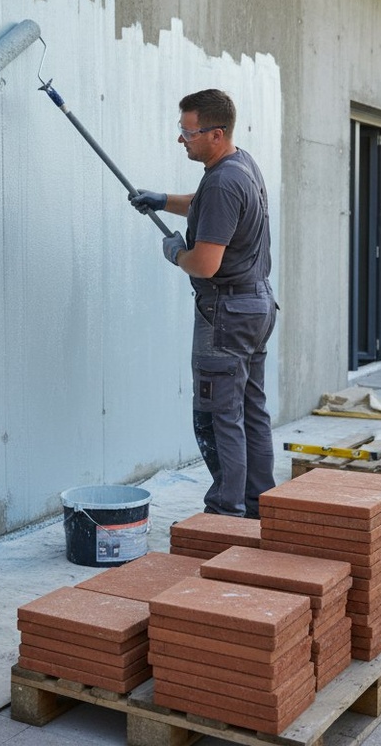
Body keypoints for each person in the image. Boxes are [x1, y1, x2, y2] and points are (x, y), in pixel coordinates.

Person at [129, 88, 277, 518]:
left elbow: (205, 264)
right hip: (255, 307)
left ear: (216, 133)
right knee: (249, 411)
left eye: (188, 132)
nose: (181, 139)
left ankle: (226, 515)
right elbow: (206, 207)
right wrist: (162, 200)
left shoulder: (223, 182)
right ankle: (258, 507)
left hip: (226, 315)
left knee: (217, 417)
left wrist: (177, 253)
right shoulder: (239, 164)